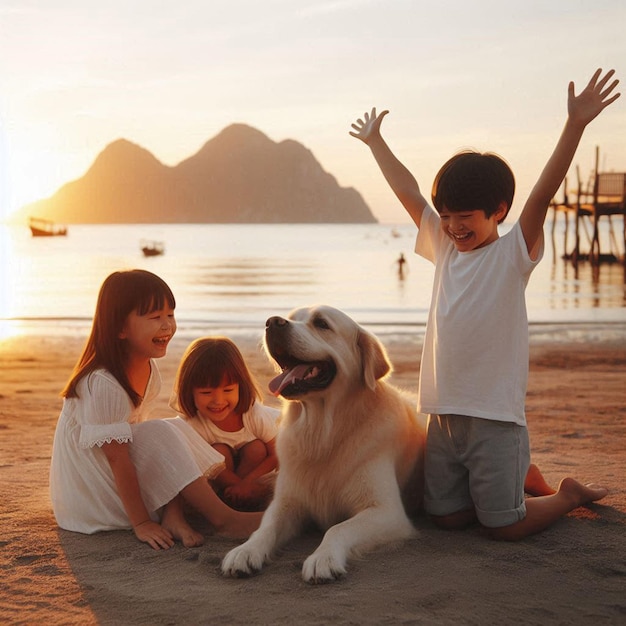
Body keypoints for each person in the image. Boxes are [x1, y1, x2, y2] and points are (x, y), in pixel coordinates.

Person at [350, 68, 620, 540]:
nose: (453, 225)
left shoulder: (513, 253)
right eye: (447, 214)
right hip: (444, 415)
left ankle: (567, 494)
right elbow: (409, 192)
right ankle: (523, 477)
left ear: (498, 210)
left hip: (495, 418)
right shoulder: (445, 248)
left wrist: (575, 124)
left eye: (466, 216)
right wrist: (376, 144)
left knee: (504, 528)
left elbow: (542, 193)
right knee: (448, 519)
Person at [49, 269, 262, 550]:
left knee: (172, 426)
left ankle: (173, 515)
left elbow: (141, 443)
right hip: (91, 497)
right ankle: (225, 519)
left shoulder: (149, 369)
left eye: (170, 315)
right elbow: (117, 460)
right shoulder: (103, 383)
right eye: (154, 318)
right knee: (161, 430)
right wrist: (142, 523)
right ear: (120, 329)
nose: (167, 326)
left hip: (111, 472)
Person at [171, 336, 280, 511]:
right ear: (189, 391)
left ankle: (240, 500)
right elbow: (207, 467)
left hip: (252, 476)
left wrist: (247, 484)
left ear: (241, 386)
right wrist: (237, 486)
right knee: (217, 452)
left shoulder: (253, 414)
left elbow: (277, 454)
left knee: (257, 448)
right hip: (220, 480)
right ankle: (229, 499)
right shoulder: (193, 424)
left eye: (228, 390)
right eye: (206, 392)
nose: (218, 401)